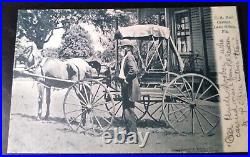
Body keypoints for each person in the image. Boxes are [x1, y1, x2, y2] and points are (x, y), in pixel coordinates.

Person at [118, 39, 141, 139]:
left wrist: (127, 80)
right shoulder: (127, 57)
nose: (122, 49)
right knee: (127, 110)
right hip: (127, 86)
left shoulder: (129, 57)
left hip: (129, 87)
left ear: (127, 48)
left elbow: (134, 70)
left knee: (128, 111)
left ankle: (132, 135)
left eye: (123, 47)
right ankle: (130, 133)